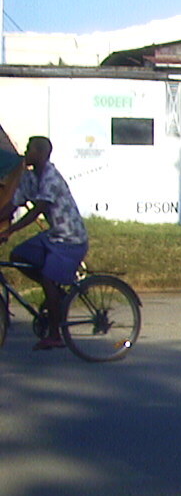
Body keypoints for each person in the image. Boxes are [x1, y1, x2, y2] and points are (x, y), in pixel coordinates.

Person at [0, 136, 89, 350]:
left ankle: (55, 334)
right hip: (53, 235)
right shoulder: (31, 177)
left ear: (41, 153)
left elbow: (37, 210)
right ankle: (55, 297)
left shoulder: (50, 177)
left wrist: (10, 230)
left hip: (70, 238)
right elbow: (13, 204)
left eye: (30, 149)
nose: (26, 153)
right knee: (18, 256)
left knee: (49, 279)